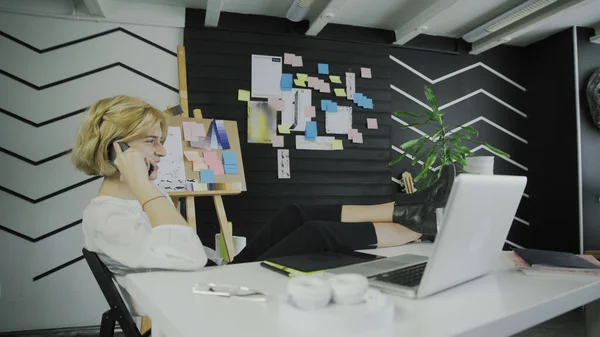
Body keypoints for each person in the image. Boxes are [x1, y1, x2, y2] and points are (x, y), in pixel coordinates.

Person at [73, 95, 454, 276]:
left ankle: (411, 211)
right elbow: (186, 257)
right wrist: (144, 186)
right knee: (316, 232)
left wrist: (145, 190)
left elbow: (185, 249)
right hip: (207, 292)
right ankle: (419, 223)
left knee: (296, 212)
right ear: (115, 148)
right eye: (151, 141)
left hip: (216, 272)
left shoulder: (136, 202)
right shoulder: (107, 216)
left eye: (161, 140)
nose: (161, 150)